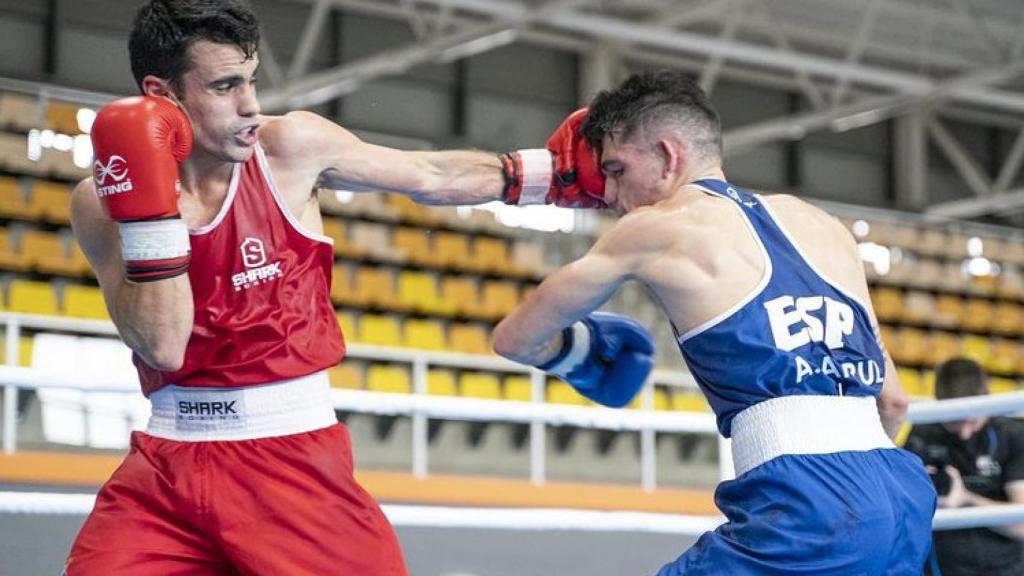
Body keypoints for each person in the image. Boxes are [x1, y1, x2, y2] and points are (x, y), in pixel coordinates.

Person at [64, 0, 606, 573]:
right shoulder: (101, 203)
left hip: (289, 461)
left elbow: (430, 176)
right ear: (162, 94)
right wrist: (151, 213)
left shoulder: (288, 149)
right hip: (163, 471)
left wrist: (552, 174)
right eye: (225, 87)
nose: (250, 106)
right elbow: (163, 344)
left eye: (251, 81)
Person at [492, 70, 937, 575]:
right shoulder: (824, 225)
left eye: (616, 170)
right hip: (903, 496)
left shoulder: (655, 227)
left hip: (809, 507)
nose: (611, 195)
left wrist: (573, 351)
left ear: (668, 154)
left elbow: (515, 338)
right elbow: (894, 401)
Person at [905, 358, 1024, 576]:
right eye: (954, 422)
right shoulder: (924, 432)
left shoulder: (1013, 435)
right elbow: (904, 505)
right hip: (942, 566)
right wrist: (924, 492)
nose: (964, 433)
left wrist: (966, 498)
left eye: (971, 422)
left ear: (986, 400)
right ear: (940, 405)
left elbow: (1022, 526)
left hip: (1007, 568)